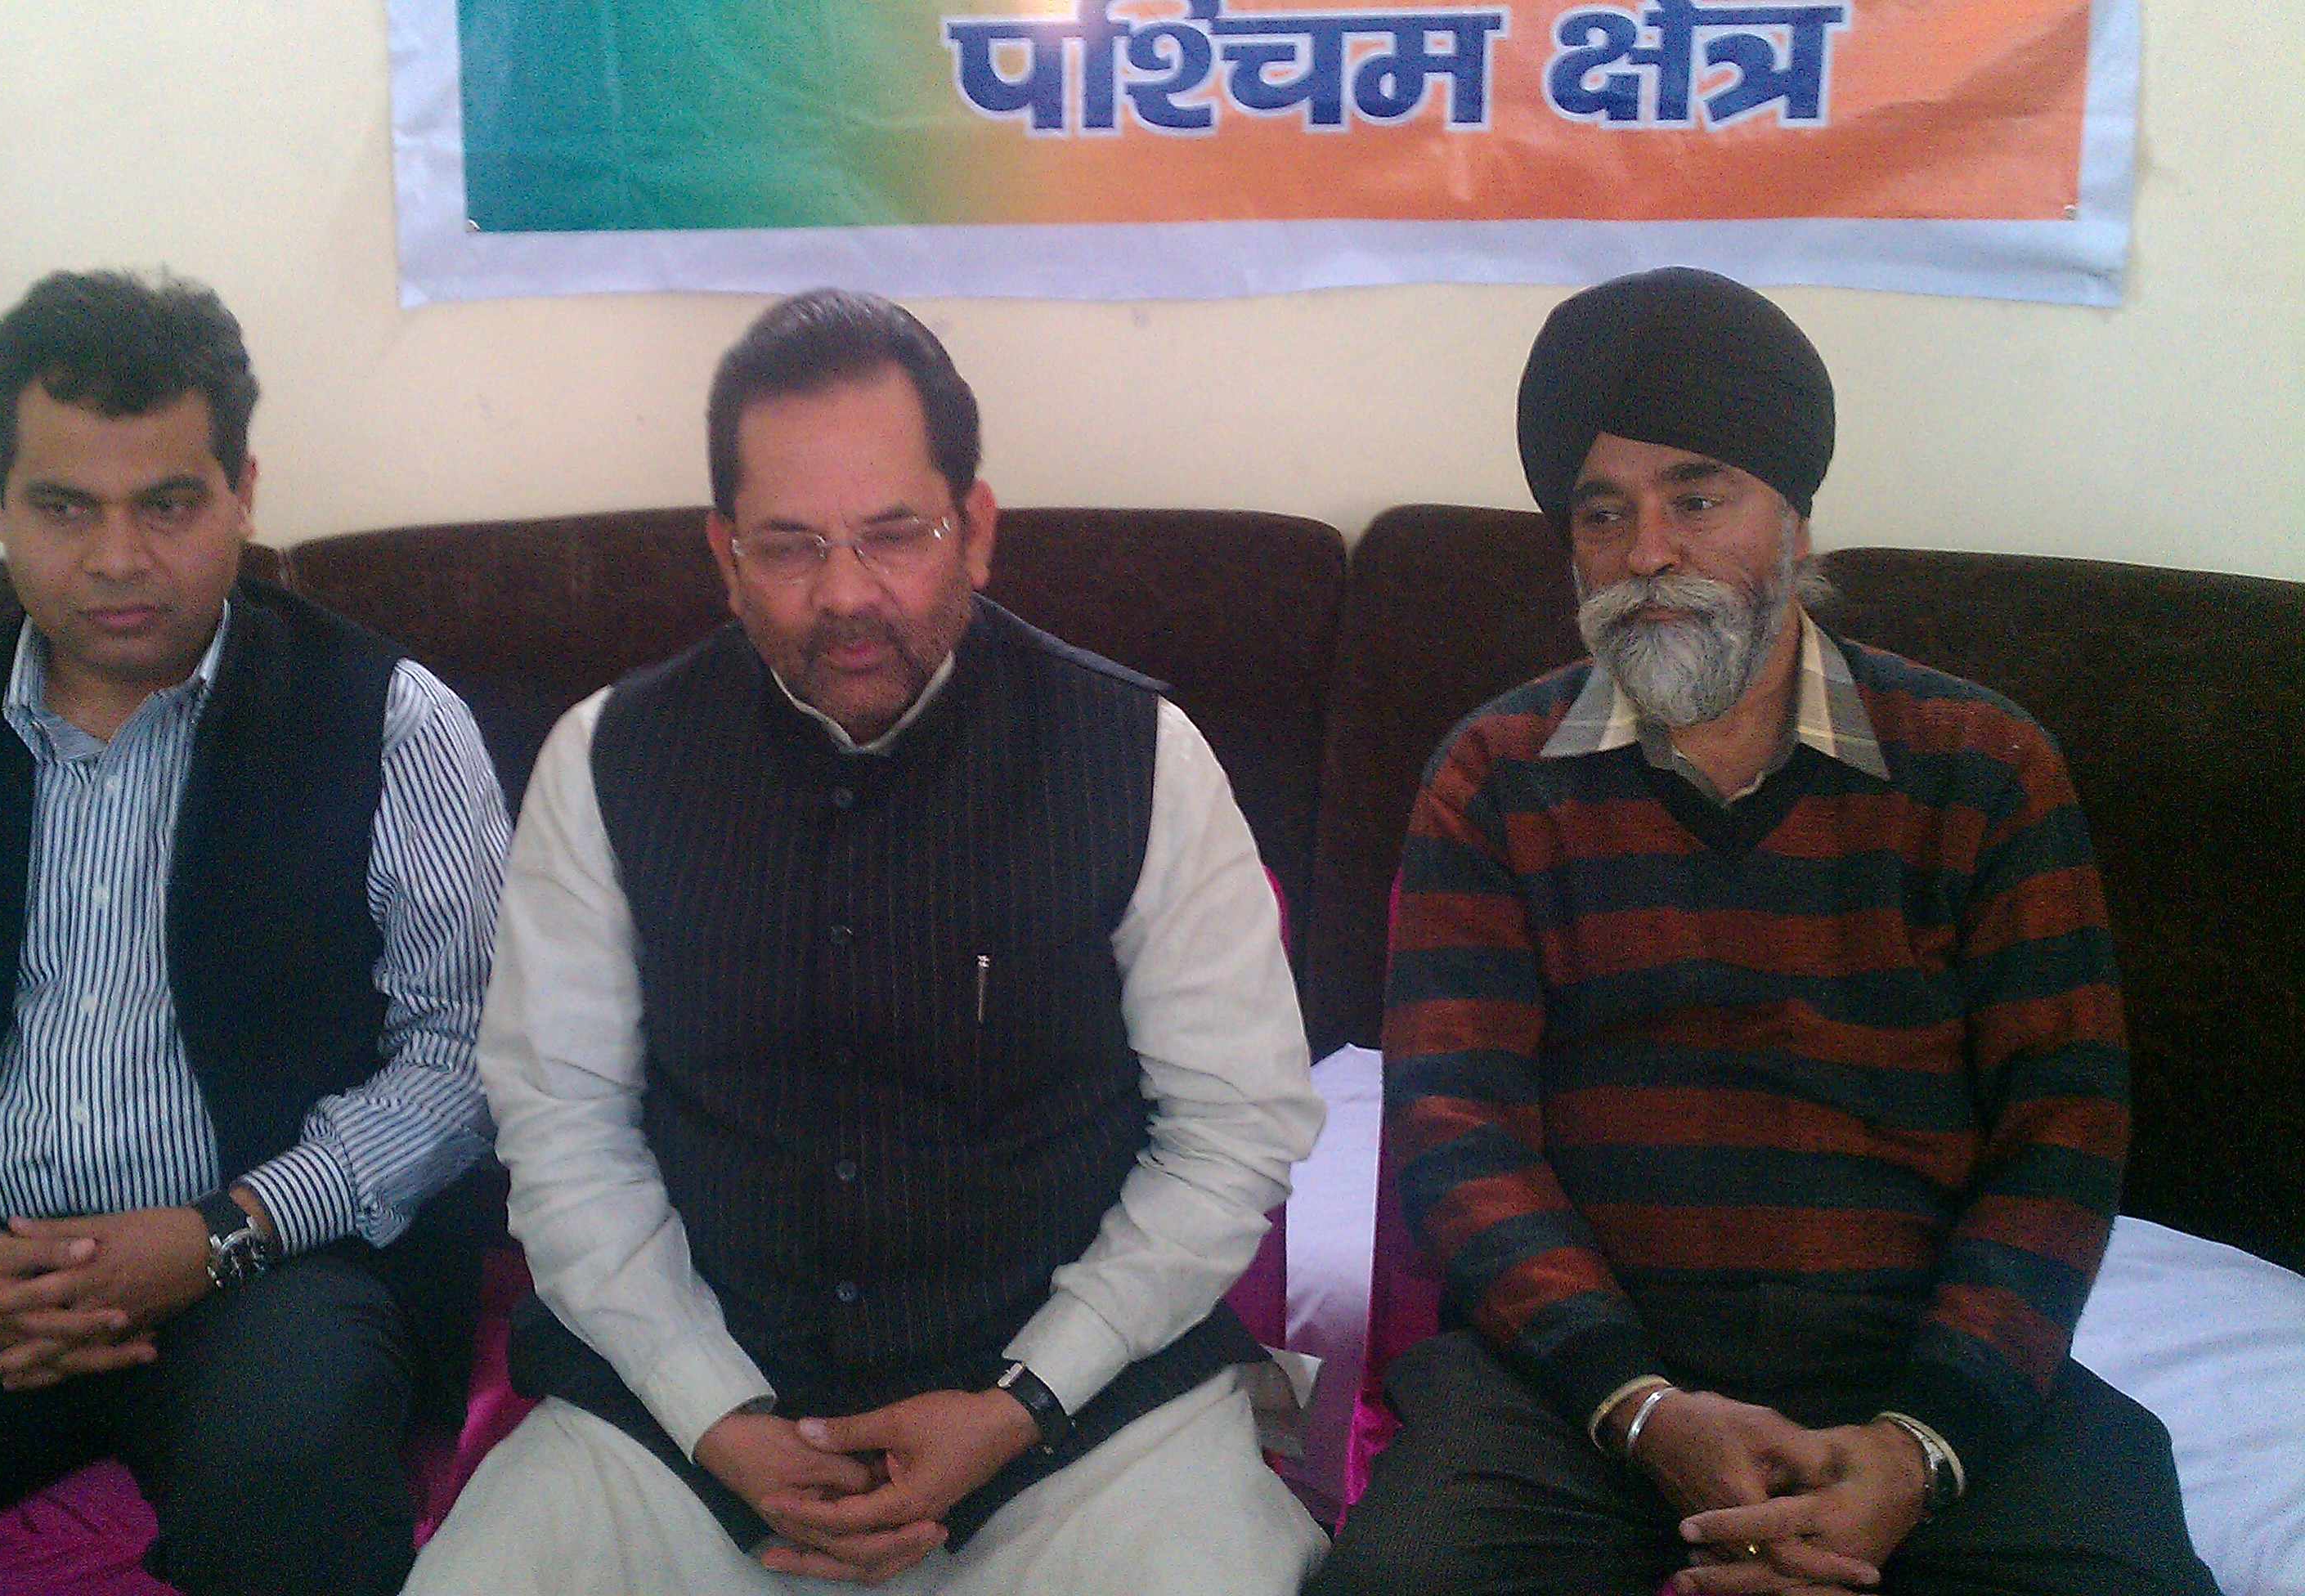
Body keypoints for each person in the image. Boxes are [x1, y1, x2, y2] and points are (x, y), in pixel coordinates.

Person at [1308, 267, 2219, 1596]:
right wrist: (1643, 1408)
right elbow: (1461, 1130)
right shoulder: (1495, 774)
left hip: (1918, 1374)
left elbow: (2064, 1132)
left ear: (1795, 512)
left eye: (1699, 496)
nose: (1647, 553)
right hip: (1580, 1393)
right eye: (1601, 511)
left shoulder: (1982, 767)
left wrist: (1920, 1447)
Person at [406, 289, 1328, 1594]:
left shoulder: (1139, 759)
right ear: (723, 555)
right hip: (682, 1431)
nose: (846, 594)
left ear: (978, 531)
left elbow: (1236, 1127)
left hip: (1076, 1429)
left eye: (895, 535)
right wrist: (714, 1412)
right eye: (788, 546)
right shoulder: (608, 761)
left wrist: (1025, 1399)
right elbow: (562, 1127)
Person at [0, 269, 511, 1596]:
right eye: (65, 507)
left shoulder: (388, 719)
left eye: (170, 503)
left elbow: (458, 1057)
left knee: (296, 1501)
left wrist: (223, 1230)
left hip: (263, 1271)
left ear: (245, 490)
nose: (118, 558)